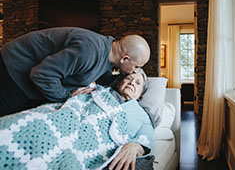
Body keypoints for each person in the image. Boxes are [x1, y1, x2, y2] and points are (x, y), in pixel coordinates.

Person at [0, 69, 154, 170]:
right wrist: (76, 93)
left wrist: (134, 145)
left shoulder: (141, 115)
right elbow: (75, 102)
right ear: (120, 82)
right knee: (27, 123)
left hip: (91, 140)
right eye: (128, 79)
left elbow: (145, 141)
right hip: (66, 118)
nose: (132, 82)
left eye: (137, 83)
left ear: (140, 94)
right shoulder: (99, 90)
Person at [0, 27, 151, 117]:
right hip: (12, 69)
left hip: (25, 77)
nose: (134, 71)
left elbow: (103, 77)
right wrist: (67, 97)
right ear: (124, 58)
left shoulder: (108, 56)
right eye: (135, 66)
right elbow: (41, 75)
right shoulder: (88, 52)